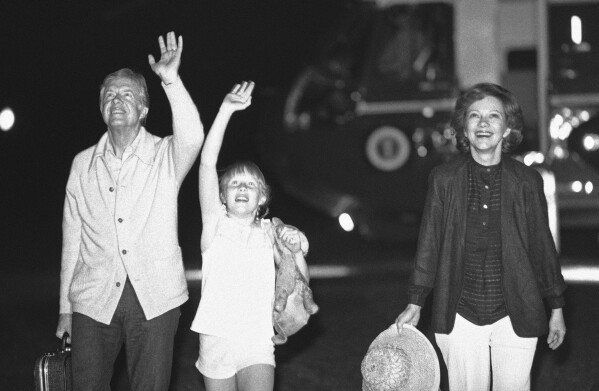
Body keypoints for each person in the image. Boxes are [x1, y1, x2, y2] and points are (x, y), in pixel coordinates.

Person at [55, 31, 204, 391]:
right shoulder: (82, 165)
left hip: (155, 298)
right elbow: (71, 238)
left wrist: (170, 79)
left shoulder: (165, 155)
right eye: (109, 95)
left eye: (127, 95)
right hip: (92, 299)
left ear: (144, 108)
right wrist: (65, 308)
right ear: (101, 108)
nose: (117, 100)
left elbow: (193, 135)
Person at [395, 83, 567, 391]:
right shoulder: (444, 179)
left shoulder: (527, 181)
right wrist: (416, 301)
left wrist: (556, 307)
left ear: (508, 127)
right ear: (463, 127)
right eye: (474, 115)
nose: (483, 123)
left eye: (493, 116)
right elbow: (429, 244)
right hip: (459, 311)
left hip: (516, 310)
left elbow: (543, 246)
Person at [190, 81, 310, 391]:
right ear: (222, 196)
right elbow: (206, 163)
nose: (242, 189)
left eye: (250, 185)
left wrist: (295, 252)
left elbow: (300, 280)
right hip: (215, 337)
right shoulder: (214, 224)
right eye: (234, 184)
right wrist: (225, 110)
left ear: (262, 199)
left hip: (257, 337)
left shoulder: (272, 233)